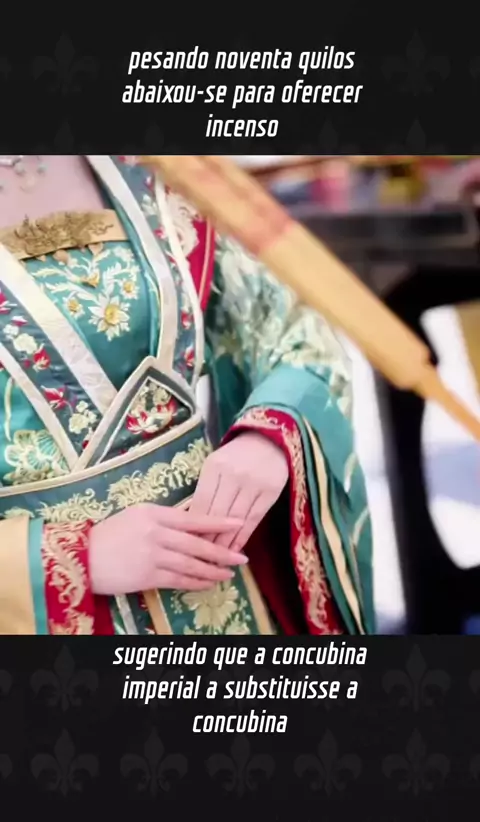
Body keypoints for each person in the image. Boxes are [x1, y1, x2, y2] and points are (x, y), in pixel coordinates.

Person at [0, 155, 374, 635]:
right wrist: (73, 558)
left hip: (223, 584)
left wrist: (269, 436)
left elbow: (293, 331)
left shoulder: (156, 164)